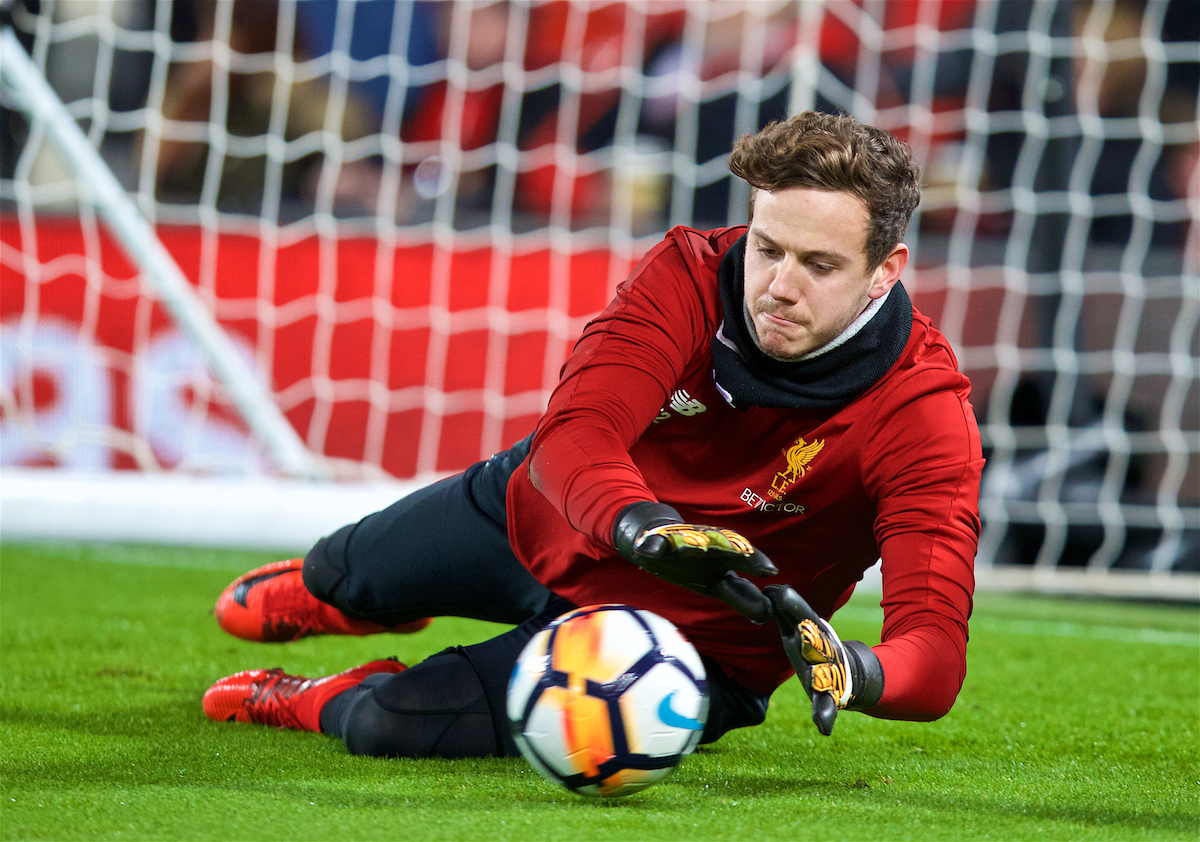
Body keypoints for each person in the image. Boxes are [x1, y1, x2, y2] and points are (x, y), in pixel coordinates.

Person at [201, 111, 984, 755]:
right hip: (549, 518)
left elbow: (935, 653)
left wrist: (853, 671)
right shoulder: (685, 275)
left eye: (819, 264)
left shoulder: (922, 414)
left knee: (384, 724)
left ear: (886, 270)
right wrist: (645, 527)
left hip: (686, 650)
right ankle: (356, 598)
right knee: (333, 573)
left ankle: (311, 697)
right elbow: (574, 436)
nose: (778, 286)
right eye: (768, 248)